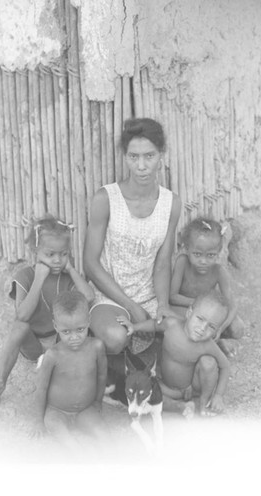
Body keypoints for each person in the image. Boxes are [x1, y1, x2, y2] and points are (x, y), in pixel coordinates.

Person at [83, 118, 182, 356]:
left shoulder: (171, 203)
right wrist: (132, 307)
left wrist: (163, 305)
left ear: (162, 154)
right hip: (110, 295)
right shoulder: (106, 199)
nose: (141, 166)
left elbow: (162, 263)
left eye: (149, 156)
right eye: (133, 157)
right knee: (116, 338)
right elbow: (91, 264)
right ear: (125, 156)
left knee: (186, 333)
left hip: (150, 296)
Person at [0, 215, 94, 405]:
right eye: (50, 254)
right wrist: (39, 279)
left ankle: (57, 377)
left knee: (72, 323)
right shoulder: (25, 276)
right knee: (19, 327)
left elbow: (88, 298)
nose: (57, 260)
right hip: (33, 344)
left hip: (60, 342)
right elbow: (22, 316)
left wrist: (72, 270)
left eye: (63, 254)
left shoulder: (68, 278)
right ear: (35, 251)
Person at [117, 291, 230, 416]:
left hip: (191, 387)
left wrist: (219, 395)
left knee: (209, 362)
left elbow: (225, 366)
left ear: (217, 331)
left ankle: (204, 402)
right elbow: (155, 325)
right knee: (144, 390)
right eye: (200, 319)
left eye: (211, 327)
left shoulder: (208, 345)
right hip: (166, 387)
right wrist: (134, 327)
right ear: (189, 313)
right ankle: (181, 406)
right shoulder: (171, 325)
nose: (202, 328)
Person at [32, 290, 107, 444]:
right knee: (70, 443)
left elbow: (101, 376)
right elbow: (41, 388)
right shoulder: (53, 355)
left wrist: (98, 402)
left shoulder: (97, 347)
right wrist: (38, 421)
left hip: (85, 410)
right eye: (66, 332)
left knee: (105, 437)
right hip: (57, 412)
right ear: (56, 326)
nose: (74, 337)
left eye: (80, 329)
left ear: (88, 321)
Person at [169, 217, 244, 356]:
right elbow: (172, 297)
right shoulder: (182, 263)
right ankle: (214, 346)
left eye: (210, 255)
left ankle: (219, 339)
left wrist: (221, 328)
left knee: (238, 328)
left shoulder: (219, 272)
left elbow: (231, 305)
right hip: (187, 309)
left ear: (219, 252)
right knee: (180, 320)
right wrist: (200, 305)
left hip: (210, 313)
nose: (203, 261)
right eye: (197, 254)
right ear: (186, 248)